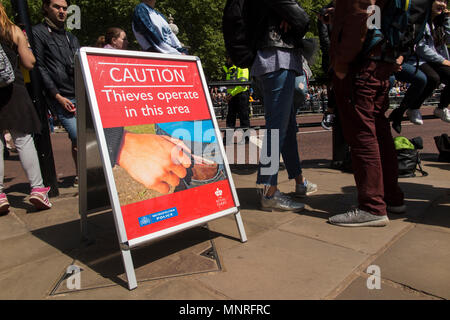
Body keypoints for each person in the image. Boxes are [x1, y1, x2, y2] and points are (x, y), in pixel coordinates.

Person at [329, 0, 406, 227]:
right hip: (381, 61)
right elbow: (374, 15)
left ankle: (372, 206)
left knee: (363, 137)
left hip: (360, 66)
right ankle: (392, 198)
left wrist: (341, 62)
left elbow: (362, 12)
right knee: (379, 133)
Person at [246, 0, 317, 212]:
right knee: (276, 129)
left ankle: (299, 181)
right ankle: (269, 192)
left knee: (285, 127)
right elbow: (303, 18)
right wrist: (295, 20)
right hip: (277, 59)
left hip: (276, 59)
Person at [0, 3, 52, 213]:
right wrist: (26, 43)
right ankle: (38, 189)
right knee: (23, 138)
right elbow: (30, 62)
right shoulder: (11, 30)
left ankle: (1, 195)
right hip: (14, 91)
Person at [32, 0, 80, 186]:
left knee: (88, 137)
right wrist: (57, 96)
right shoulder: (38, 32)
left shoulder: (71, 38)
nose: (61, 11)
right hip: (60, 95)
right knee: (76, 135)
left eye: (64, 8)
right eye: (56, 7)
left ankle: (84, 173)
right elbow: (40, 67)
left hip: (79, 93)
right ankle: (80, 174)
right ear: (46, 7)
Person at [408, 0, 450, 123]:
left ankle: (441, 108)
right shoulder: (420, 20)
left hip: (435, 60)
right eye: (439, 0)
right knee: (433, 78)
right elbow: (421, 48)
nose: (443, 4)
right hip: (418, 58)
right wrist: (443, 61)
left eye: (445, 1)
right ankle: (413, 108)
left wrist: (447, 18)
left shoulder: (440, 21)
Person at [223, 56, 250, 129]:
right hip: (232, 96)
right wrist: (228, 95)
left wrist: (231, 94)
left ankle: (246, 139)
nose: (227, 60)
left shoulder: (242, 67)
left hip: (241, 95)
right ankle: (227, 139)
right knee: (230, 118)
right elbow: (229, 86)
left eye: (228, 57)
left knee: (244, 118)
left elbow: (243, 85)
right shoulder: (229, 69)